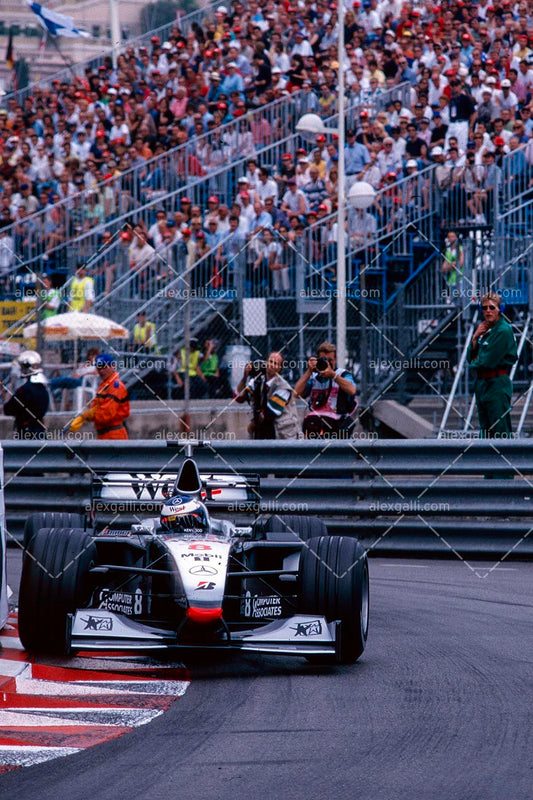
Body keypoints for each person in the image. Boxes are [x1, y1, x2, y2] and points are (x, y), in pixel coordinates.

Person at [467, 293, 517, 439]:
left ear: (499, 309)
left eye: (492, 307)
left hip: (496, 384)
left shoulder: (503, 330)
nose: (488, 311)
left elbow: (487, 362)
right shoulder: (485, 329)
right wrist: (475, 338)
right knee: (485, 431)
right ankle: (487, 461)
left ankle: (505, 460)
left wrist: (476, 361)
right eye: (484, 308)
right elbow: (470, 358)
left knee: (500, 430)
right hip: (482, 384)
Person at [294, 341, 357, 438]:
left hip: (339, 426)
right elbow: (296, 393)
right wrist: (309, 371)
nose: (327, 363)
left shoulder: (343, 374)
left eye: (330, 360)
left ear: (335, 360)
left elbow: (352, 390)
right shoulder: (314, 377)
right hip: (316, 426)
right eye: (324, 360)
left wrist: (333, 375)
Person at [235, 351, 300, 439]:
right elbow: (239, 397)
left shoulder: (283, 386)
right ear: (266, 362)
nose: (272, 365)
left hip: (283, 434)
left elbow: (269, 413)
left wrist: (253, 425)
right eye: (270, 361)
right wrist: (245, 376)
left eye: (276, 363)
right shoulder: (259, 380)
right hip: (265, 428)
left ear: (280, 368)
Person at [69, 352, 130, 439]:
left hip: (114, 435)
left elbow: (107, 414)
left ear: (113, 366)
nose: (101, 371)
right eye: (99, 368)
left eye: (104, 367)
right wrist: (85, 416)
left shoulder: (116, 386)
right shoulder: (104, 386)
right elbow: (97, 407)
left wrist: (87, 415)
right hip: (104, 434)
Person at [2, 351, 49, 438]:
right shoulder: (43, 390)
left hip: (25, 432)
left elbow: (8, 409)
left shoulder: (24, 391)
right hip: (40, 431)